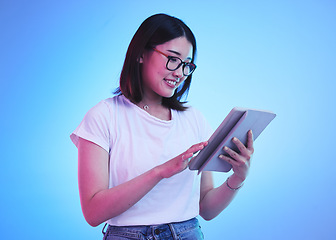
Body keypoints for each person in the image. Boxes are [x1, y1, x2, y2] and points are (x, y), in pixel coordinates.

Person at [70, 13, 254, 240]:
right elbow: (93, 212)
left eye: (187, 65)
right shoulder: (104, 116)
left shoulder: (194, 119)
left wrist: (238, 178)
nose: (179, 73)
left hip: (188, 233)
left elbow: (206, 208)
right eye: (173, 59)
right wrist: (160, 172)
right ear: (140, 54)